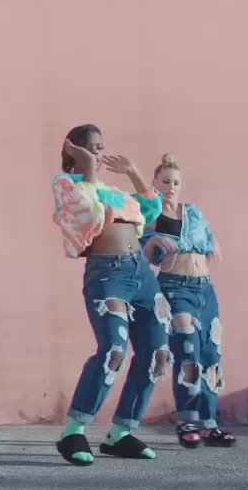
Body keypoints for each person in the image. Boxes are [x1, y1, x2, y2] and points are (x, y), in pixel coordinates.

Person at [52, 124, 171, 466]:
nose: (98, 153)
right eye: (91, 147)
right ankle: (73, 431)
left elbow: (150, 211)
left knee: (157, 353)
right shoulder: (65, 185)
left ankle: (120, 434)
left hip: (141, 274)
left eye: (100, 147)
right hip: (107, 275)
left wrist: (132, 172)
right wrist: (87, 167)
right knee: (113, 350)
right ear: (73, 150)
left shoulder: (111, 189)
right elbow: (87, 212)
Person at [143, 154, 236, 448]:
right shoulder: (150, 214)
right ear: (155, 183)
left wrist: (215, 241)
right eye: (166, 181)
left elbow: (208, 235)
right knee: (187, 350)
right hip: (175, 287)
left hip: (204, 289)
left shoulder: (193, 211)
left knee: (211, 354)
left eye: (176, 182)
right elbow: (143, 255)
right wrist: (153, 241)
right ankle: (187, 421)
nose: (171, 187)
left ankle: (209, 424)